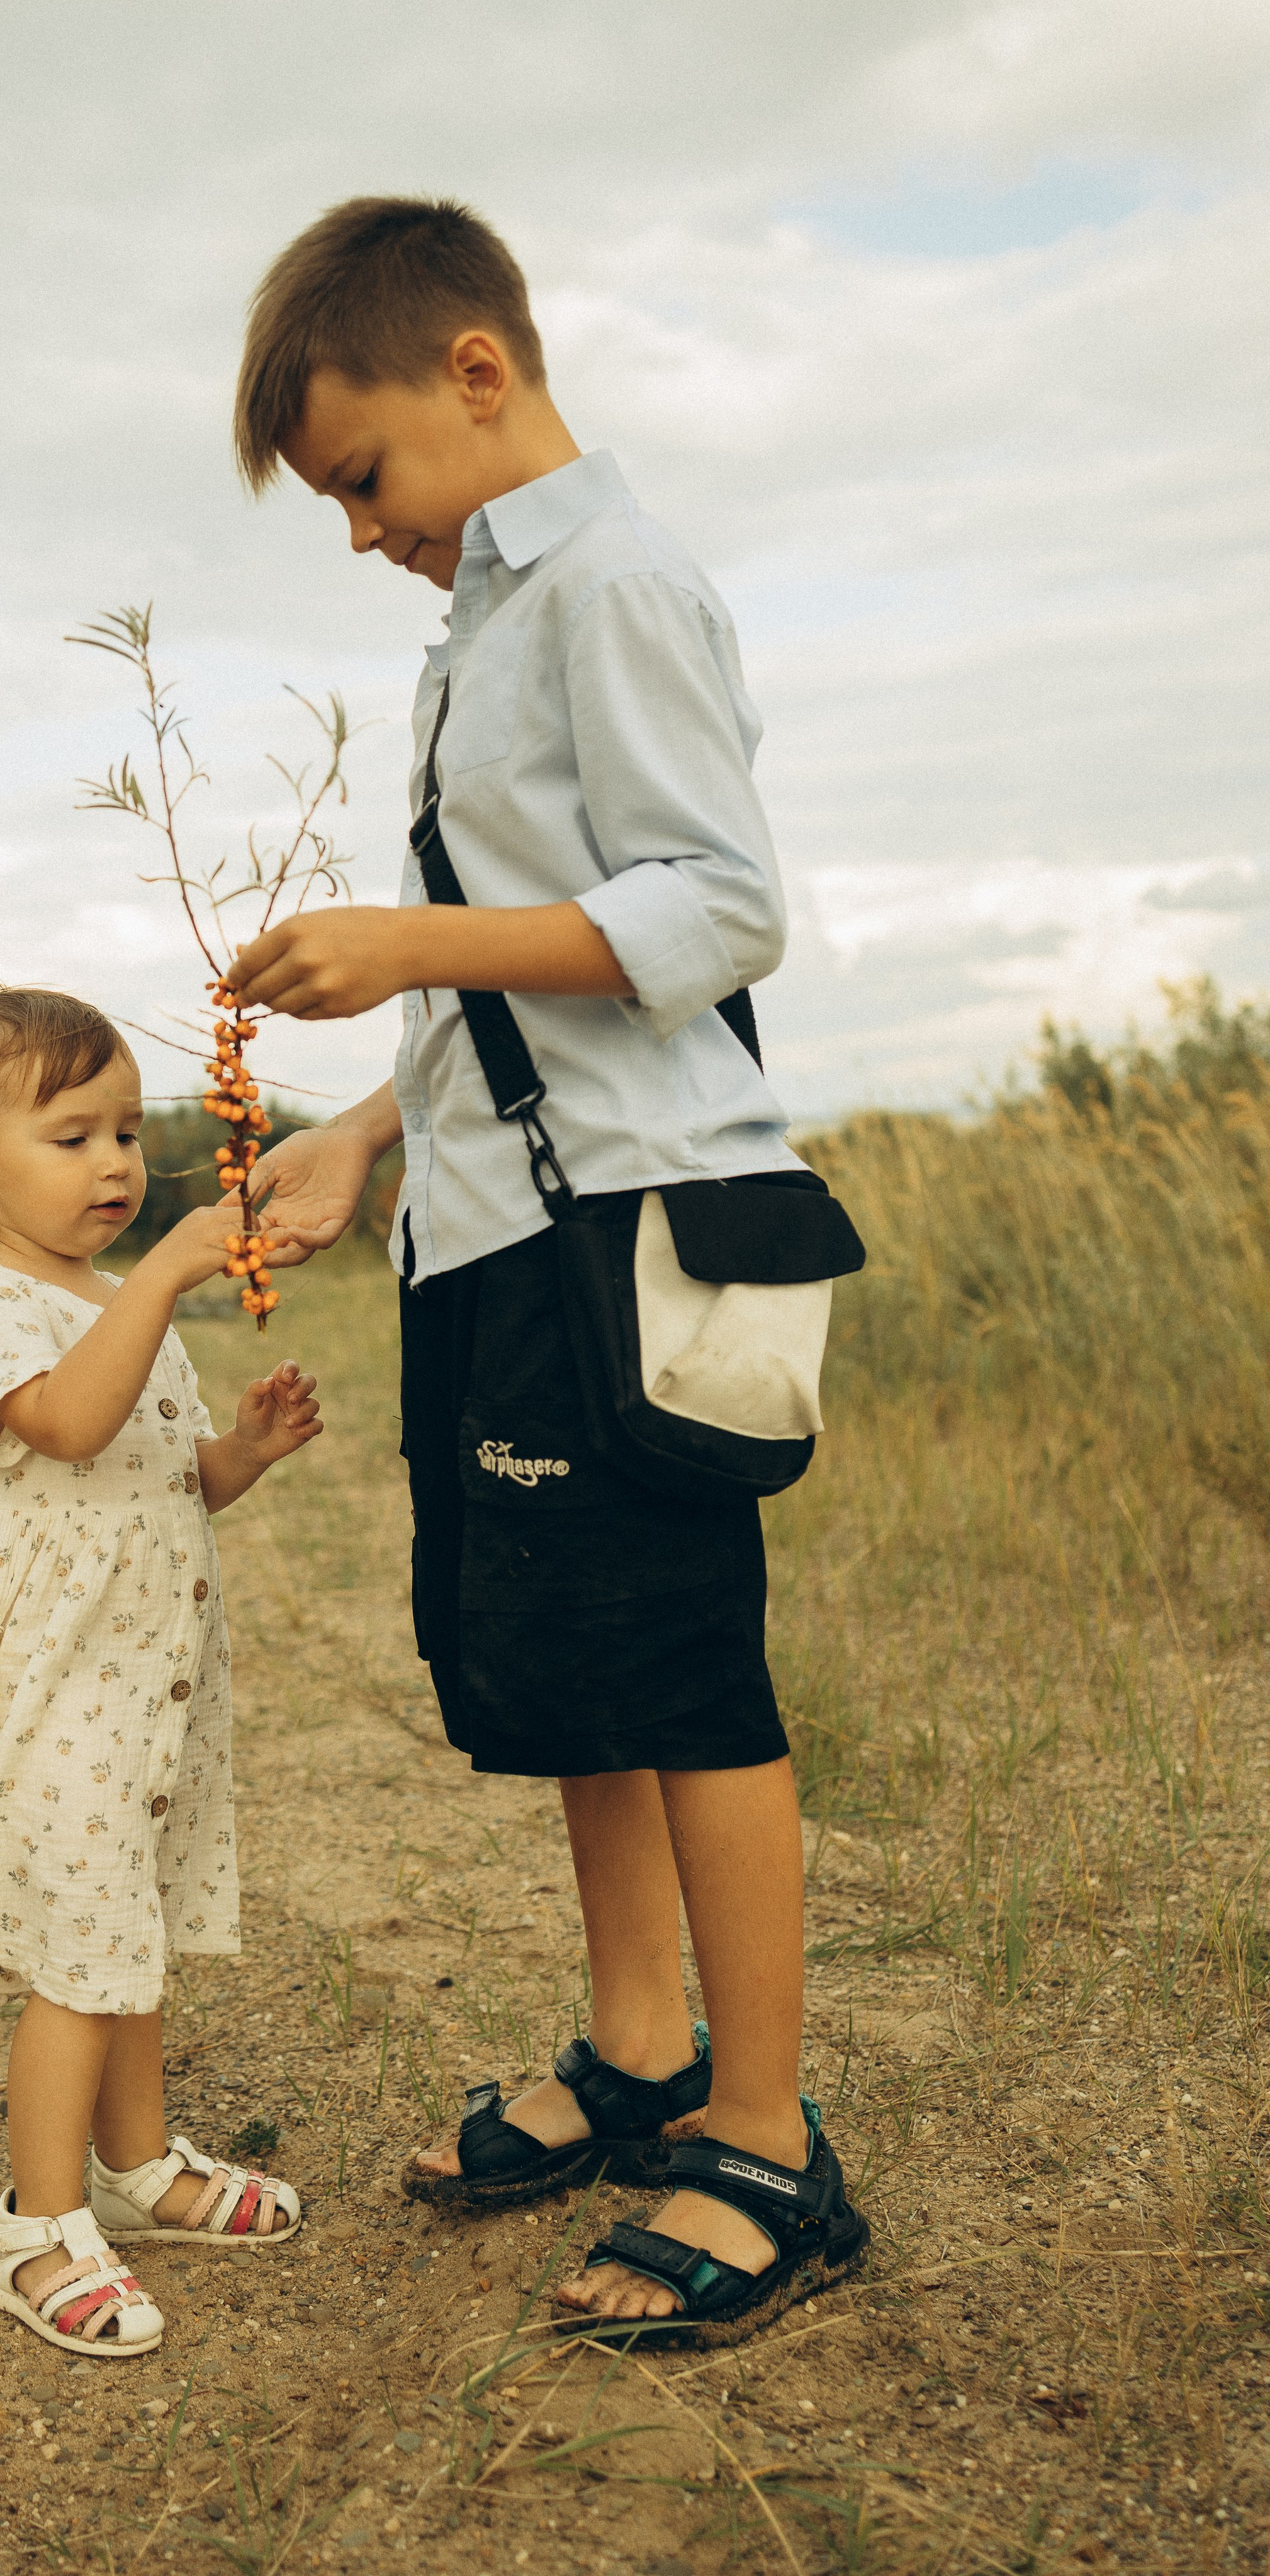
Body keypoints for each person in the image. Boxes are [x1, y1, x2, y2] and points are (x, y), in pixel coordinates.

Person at [223, 196, 867, 2342]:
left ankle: (770, 2147)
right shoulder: (478, 627)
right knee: (570, 1659)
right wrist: (361, 1124)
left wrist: (400, 939)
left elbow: (714, 907)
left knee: (686, 1668)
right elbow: (527, 982)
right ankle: (640, 2056)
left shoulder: (617, 583)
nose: (359, 531)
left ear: (475, 375)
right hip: (501, 1216)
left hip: (639, 1221)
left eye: (361, 479)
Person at [0, 988, 321, 2358]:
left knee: (128, 1927)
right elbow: (75, 1426)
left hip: (147, 1687)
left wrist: (249, 1455)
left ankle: (138, 2166)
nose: (115, 1164)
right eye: (72, 1135)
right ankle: (34, 2227)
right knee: (79, 1953)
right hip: (57, 1693)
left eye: (125, 1132)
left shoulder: (112, 1301)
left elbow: (166, 1478)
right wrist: (165, 1277)